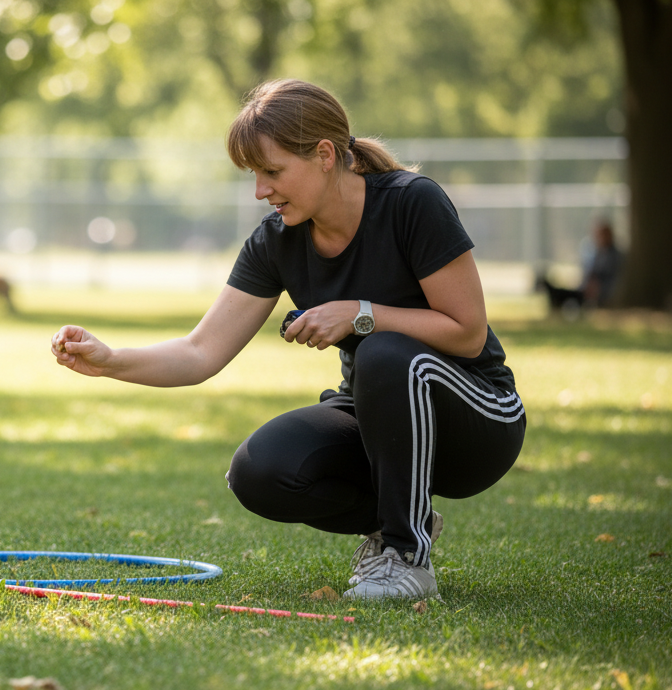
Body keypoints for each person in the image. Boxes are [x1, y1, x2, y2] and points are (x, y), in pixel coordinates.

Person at [51, 79, 527, 599]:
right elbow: (200, 352)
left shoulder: (413, 202)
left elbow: (467, 332)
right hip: (381, 416)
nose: (261, 190)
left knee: (386, 352)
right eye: (254, 175)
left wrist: (360, 314)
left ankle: (405, 556)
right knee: (259, 471)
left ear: (325, 154)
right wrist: (111, 359)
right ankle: (405, 513)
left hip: (479, 418)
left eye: (272, 171)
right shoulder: (277, 239)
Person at [580, 219, 623, 308]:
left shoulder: (616, 256)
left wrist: (598, 288)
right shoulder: (596, 254)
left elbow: (613, 279)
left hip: (604, 291)